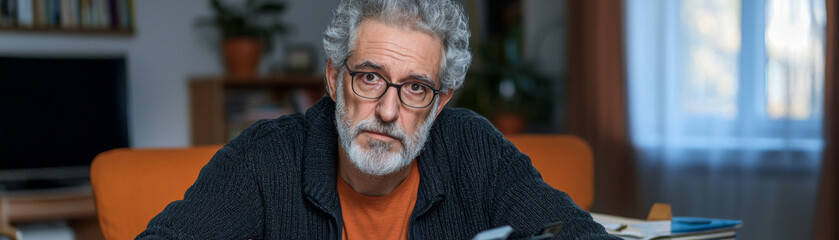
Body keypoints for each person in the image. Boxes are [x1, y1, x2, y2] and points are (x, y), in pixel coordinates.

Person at [138, 0, 618, 239]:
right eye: (370, 78)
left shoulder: (473, 148)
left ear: (440, 102)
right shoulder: (264, 159)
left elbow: (579, 234)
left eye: (416, 88)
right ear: (334, 78)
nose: (388, 112)